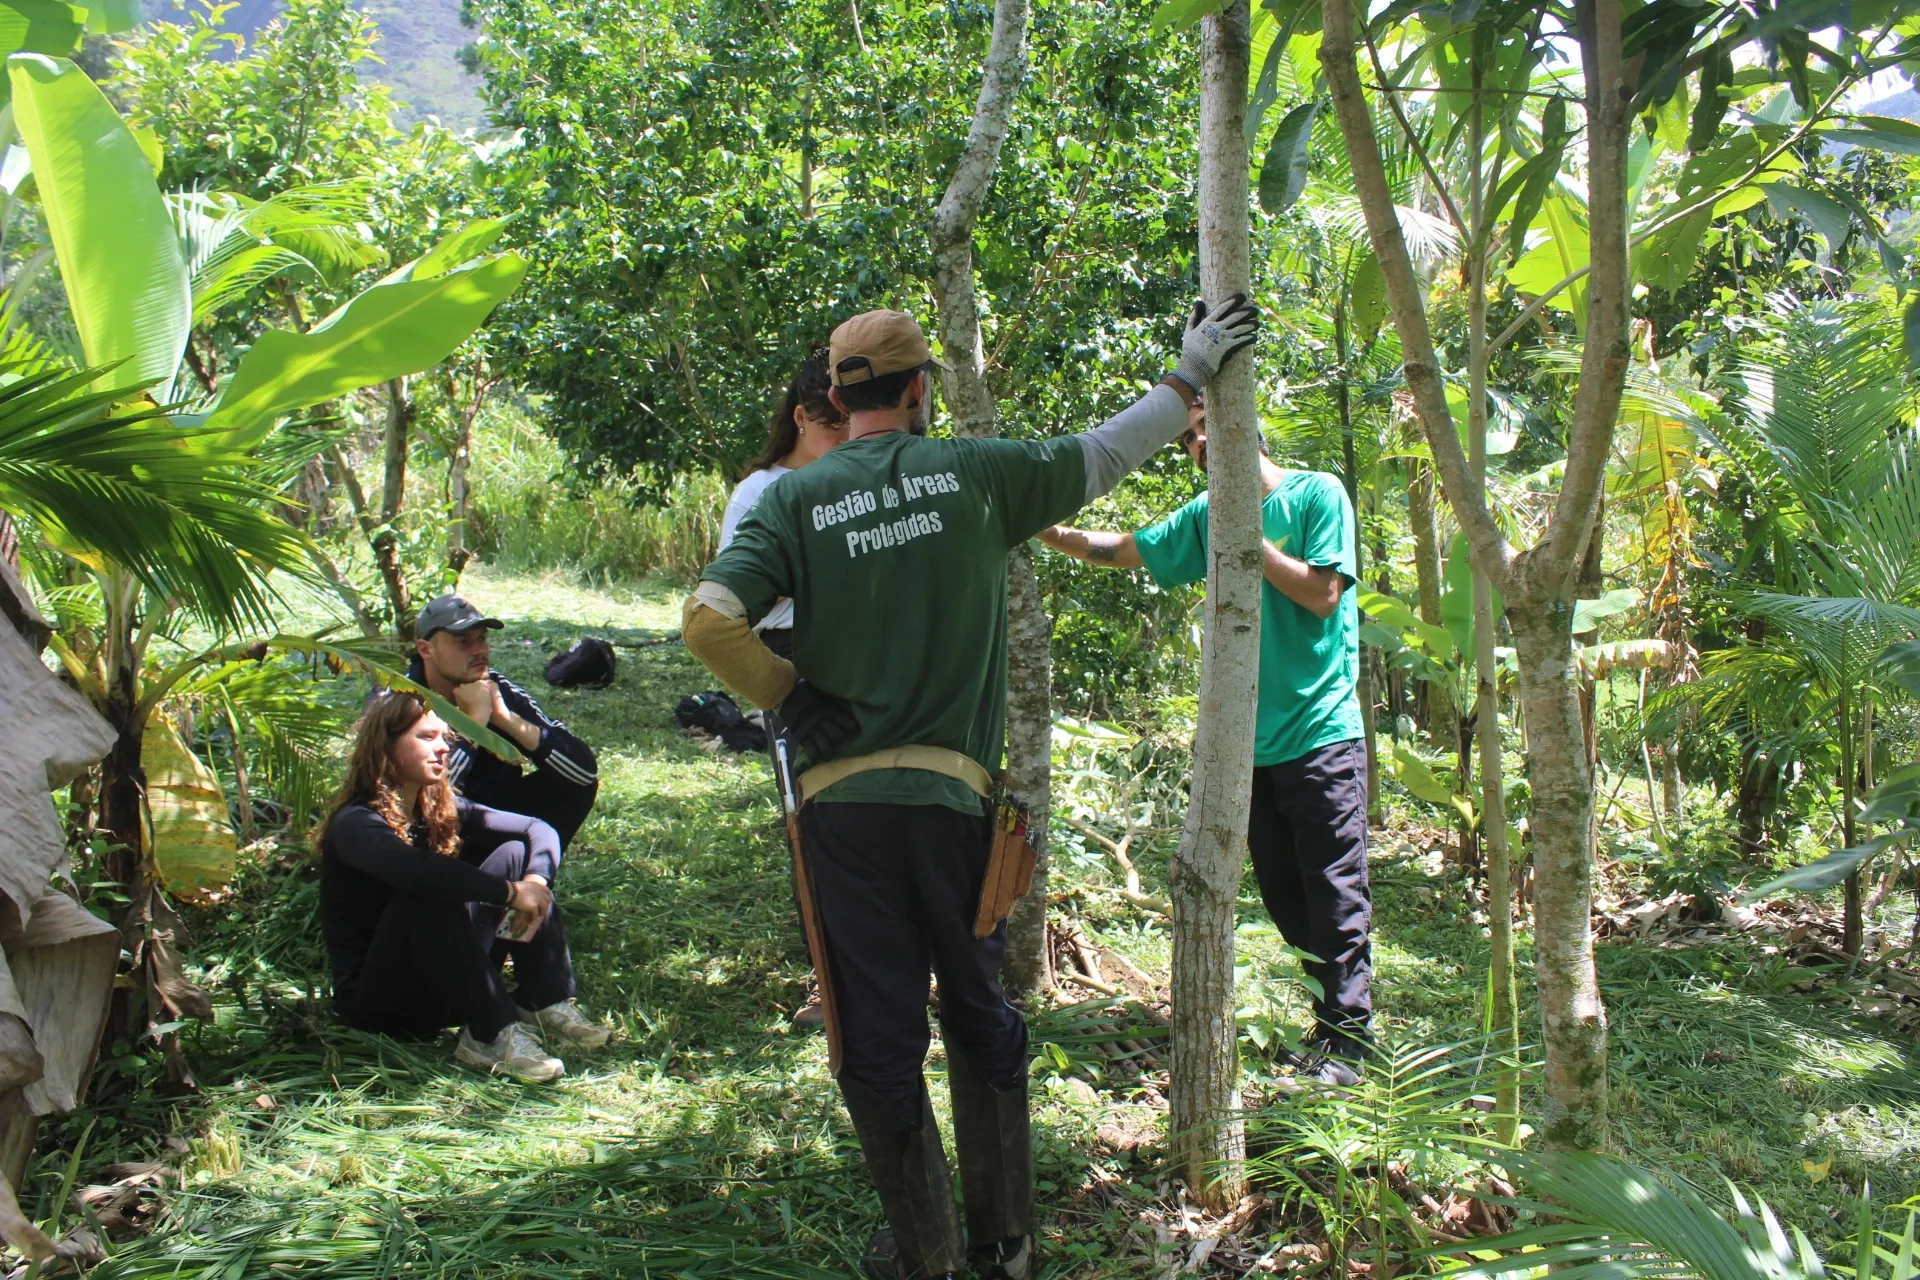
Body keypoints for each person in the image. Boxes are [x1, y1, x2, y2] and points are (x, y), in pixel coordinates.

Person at [681, 297, 1258, 1280]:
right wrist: (1193, 367)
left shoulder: (791, 499)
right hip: (956, 809)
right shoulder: (974, 474)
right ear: (917, 390)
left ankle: (926, 1250)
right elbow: (1110, 450)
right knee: (980, 1007)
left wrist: (787, 691)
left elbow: (708, 620)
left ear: (834, 394)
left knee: (877, 1033)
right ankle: (1007, 1239)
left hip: (844, 810)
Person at [1036, 390, 1370, 1086]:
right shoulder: (1205, 516)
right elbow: (1126, 549)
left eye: (1206, 429)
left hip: (1321, 734)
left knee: (1334, 890)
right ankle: (1330, 1029)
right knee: (1286, 897)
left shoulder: (1316, 495)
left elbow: (1322, 594)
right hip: (1248, 745)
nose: (1199, 446)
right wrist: (1050, 531)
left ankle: (1352, 1045)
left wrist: (1245, 538)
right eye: (1188, 439)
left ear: (1244, 424)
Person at [318, 692, 612, 1084]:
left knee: (512, 854)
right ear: (385, 745)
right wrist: (509, 893)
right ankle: (490, 1034)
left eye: (445, 737)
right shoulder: (356, 823)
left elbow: (536, 828)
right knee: (428, 891)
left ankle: (542, 999)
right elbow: (418, 871)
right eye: (426, 737)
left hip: (447, 981)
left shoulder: (435, 806)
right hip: (384, 1005)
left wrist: (534, 882)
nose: (443, 747)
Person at [719, 346, 849, 1030]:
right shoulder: (762, 493)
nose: (844, 445)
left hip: (856, 654)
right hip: (791, 661)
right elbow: (735, 608)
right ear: (801, 419)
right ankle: (830, 983)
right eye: (834, 430)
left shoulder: (850, 478)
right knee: (812, 821)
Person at [408, 594, 600, 851]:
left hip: (492, 818)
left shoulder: (497, 688)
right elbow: (425, 797)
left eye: (482, 639)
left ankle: (529, 881)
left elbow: (584, 772)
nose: (479, 650)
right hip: (427, 835)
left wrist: (504, 718)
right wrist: (474, 721)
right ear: (425, 650)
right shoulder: (401, 700)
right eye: (463, 642)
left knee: (571, 785)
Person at [719, 345, 850, 658]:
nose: (846, 437)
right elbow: (733, 595)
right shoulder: (756, 491)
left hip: (864, 645)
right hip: (793, 649)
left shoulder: (858, 478)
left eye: (851, 423)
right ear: (801, 417)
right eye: (833, 426)